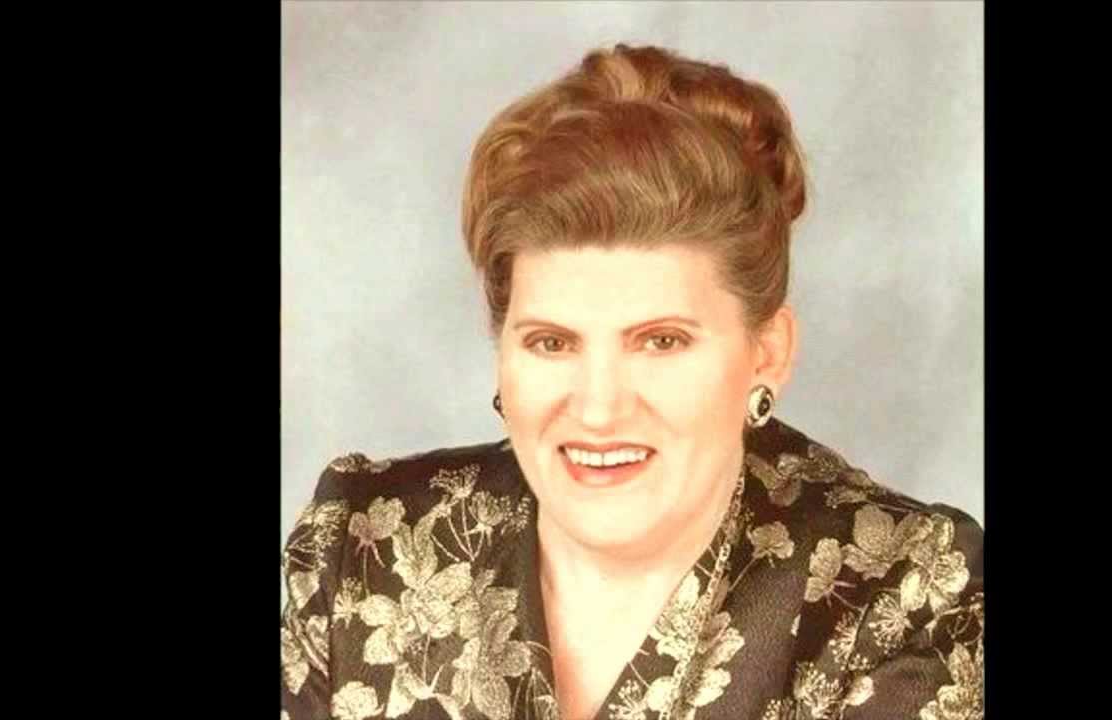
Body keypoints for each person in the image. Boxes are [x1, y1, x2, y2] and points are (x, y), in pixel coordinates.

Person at [281, 43, 983, 720]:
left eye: (660, 342)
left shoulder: (905, 596)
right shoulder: (361, 552)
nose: (598, 408)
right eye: (552, 342)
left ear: (768, 352)